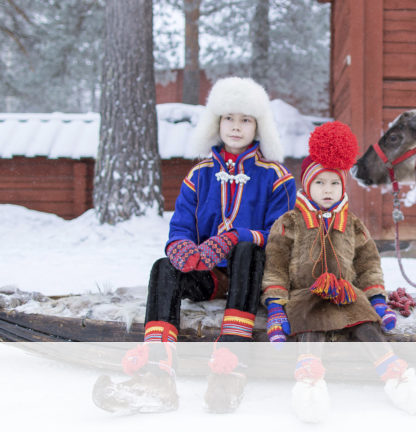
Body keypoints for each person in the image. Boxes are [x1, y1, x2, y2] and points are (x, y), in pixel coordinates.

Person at [93, 77, 297, 414]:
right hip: (210, 276)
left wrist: (237, 237)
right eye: (229, 118)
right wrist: (182, 249)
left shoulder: (276, 176)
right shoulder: (199, 175)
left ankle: (231, 365)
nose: (236, 127)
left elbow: (283, 235)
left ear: (258, 126)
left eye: (245, 120)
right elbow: (180, 228)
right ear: (216, 122)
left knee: (248, 250)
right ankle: (157, 373)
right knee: (163, 266)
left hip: (257, 277)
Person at [260, 121, 416, 422]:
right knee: (311, 327)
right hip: (306, 295)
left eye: (334, 183)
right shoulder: (290, 222)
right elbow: (275, 266)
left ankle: (396, 376)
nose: (328, 190)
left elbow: (368, 263)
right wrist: (275, 307)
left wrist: (377, 299)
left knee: (367, 325)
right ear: (307, 185)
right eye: (320, 183)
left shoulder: (352, 222)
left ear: (343, 186)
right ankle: (310, 384)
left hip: (346, 293)